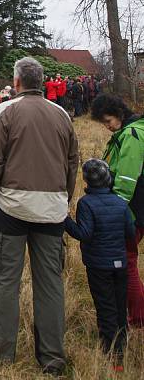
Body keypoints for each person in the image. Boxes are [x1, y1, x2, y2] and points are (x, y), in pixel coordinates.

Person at [0, 56, 79, 375]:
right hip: (52, 208)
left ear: (17, 82)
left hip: (9, 207)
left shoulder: (3, 112)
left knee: (6, 281)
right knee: (50, 283)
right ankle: (52, 355)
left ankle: (1, 349)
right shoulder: (61, 114)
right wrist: (64, 197)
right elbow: (72, 162)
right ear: (42, 82)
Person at [65, 159, 134, 369]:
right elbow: (130, 233)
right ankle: (123, 343)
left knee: (105, 307)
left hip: (98, 266)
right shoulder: (121, 203)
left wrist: (65, 220)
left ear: (86, 180)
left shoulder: (86, 203)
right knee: (120, 304)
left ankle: (114, 357)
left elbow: (84, 234)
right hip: (120, 264)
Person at [91, 94, 144, 327]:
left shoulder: (132, 135)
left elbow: (126, 178)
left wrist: (114, 211)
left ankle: (138, 318)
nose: (108, 126)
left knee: (127, 262)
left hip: (131, 212)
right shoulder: (124, 134)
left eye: (109, 120)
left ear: (120, 113)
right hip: (131, 211)